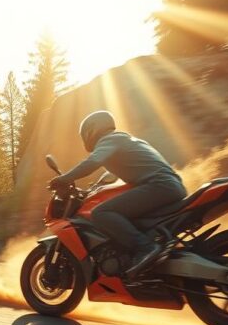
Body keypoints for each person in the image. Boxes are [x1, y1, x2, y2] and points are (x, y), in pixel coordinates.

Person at [48, 111, 187, 277]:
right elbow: (113, 176)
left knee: (101, 213)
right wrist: (90, 191)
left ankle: (145, 248)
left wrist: (64, 178)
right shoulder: (124, 140)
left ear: (91, 130)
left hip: (159, 186)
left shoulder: (110, 140)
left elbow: (92, 162)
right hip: (167, 186)